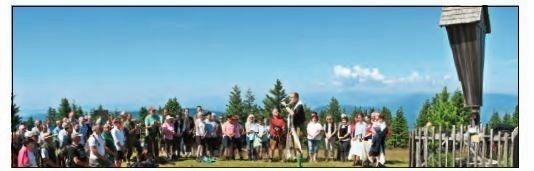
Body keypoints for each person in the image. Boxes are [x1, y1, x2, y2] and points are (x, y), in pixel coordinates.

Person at [281, 92, 305, 161]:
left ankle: (299, 159)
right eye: (290, 97)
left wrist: (286, 105)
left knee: (297, 142)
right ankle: (296, 157)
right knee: (293, 143)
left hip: (298, 127)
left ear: (296, 98)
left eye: (292, 97)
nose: (290, 99)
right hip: (293, 126)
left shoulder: (299, 105)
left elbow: (293, 114)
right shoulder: (294, 105)